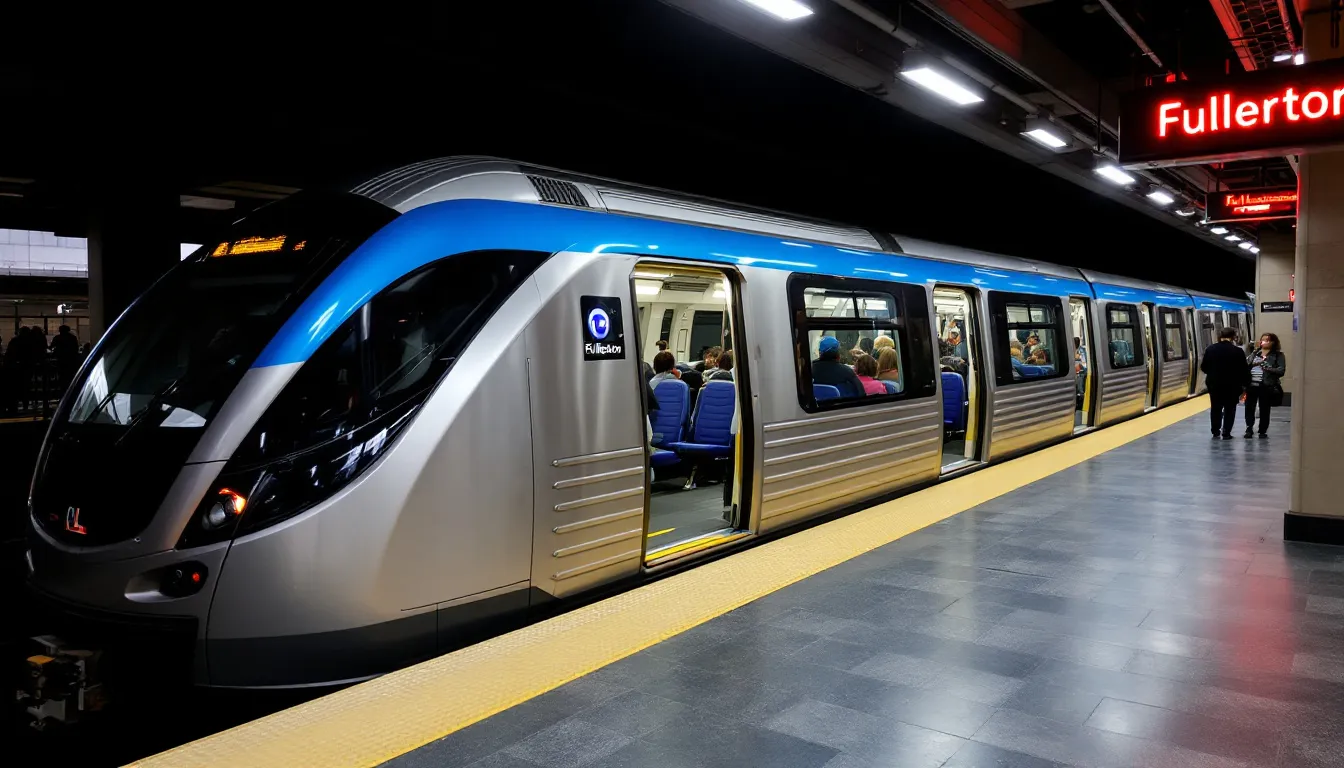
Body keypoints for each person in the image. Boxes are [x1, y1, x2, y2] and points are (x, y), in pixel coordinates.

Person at [1200, 327, 1249, 440]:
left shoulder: (1210, 349)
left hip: (1214, 385)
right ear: (1233, 337)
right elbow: (1243, 370)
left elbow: (1204, 367)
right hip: (1232, 386)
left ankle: (1215, 431)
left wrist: (1213, 373)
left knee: (1216, 408)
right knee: (1230, 409)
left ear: (1220, 336)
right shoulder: (1238, 351)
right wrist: (1245, 385)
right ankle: (1226, 432)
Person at [1244, 332, 1286, 438]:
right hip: (1251, 385)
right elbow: (1245, 365)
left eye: (1267, 340)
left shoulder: (1278, 355)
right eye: (1262, 339)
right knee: (1249, 408)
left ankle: (1262, 430)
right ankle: (1249, 428)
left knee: (1264, 408)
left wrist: (1267, 368)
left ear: (1273, 342)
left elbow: (1281, 371)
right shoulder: (1255, 353)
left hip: (1266, 385)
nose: (1264, 342)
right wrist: (1254, 355)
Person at [50, 324, 79, 391]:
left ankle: (62, 388)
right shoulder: (73, 338)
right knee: (70, 375)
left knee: (62, 375)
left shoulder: (57, 338)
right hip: (71, 359)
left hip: (61, 358)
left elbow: (52, 346)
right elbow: (76, 348)